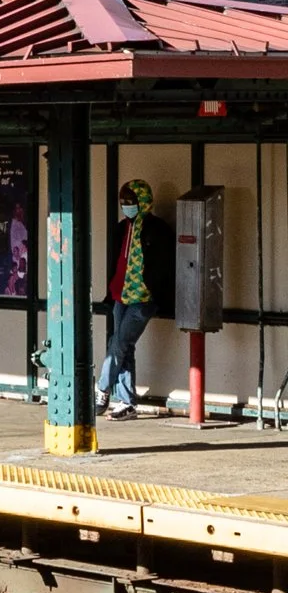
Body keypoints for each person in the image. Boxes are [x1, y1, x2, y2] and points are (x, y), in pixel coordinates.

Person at [99, 178, 175, 417]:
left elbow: (164, 265)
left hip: (143, 298)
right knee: (125, 346)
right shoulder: (122, 228)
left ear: (143, 202)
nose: (126, 206)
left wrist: (154, 291)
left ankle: (101, 389)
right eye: (123, 202)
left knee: (119, 343)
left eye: (131, 202)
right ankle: (127, 402)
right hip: (120, 295)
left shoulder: (158, 229)